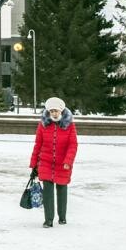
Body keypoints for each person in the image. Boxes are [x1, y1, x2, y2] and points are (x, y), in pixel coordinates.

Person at [29, 96, 78, 228]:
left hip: (63, 163)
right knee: (48, 192)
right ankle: (48, 220)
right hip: (45, 162)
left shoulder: (69, 125)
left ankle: (62, 217)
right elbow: (38, 144)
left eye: (56, 111)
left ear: (61, 111)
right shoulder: (43, 125)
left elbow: (73, 144)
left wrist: (68, 160)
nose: (54, 113)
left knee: (62, 189)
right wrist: (34, 162)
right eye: (51, 111)